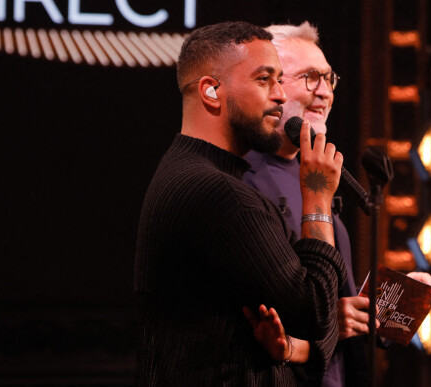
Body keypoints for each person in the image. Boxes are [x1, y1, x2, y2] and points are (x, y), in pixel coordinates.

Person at [134, 21, 349, 386]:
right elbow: (317, 314)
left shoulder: (193, 174)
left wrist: (301, 348)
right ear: (211, 91)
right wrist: (316, 193)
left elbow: (311, 326)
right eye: (265, 79)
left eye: (281, 79)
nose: (280, 96)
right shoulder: (221, 197)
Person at [243, 22, 431, 387]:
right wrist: (330, 317)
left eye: (329, 79)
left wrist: (382, 306)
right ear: (269, 84)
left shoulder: (312, 171)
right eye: (310, 78)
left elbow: (340, 304)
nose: (324, 93)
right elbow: (249, 320)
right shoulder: (244, 182)